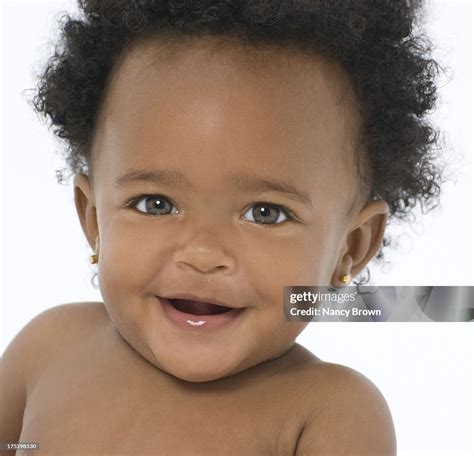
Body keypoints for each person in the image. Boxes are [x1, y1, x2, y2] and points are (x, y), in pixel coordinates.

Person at [1, 0, 444, 453]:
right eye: (156, 204)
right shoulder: (49, 349)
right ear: (94, 220)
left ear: (351, 247)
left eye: (265, 213)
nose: (202, 253)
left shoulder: (328, 413)